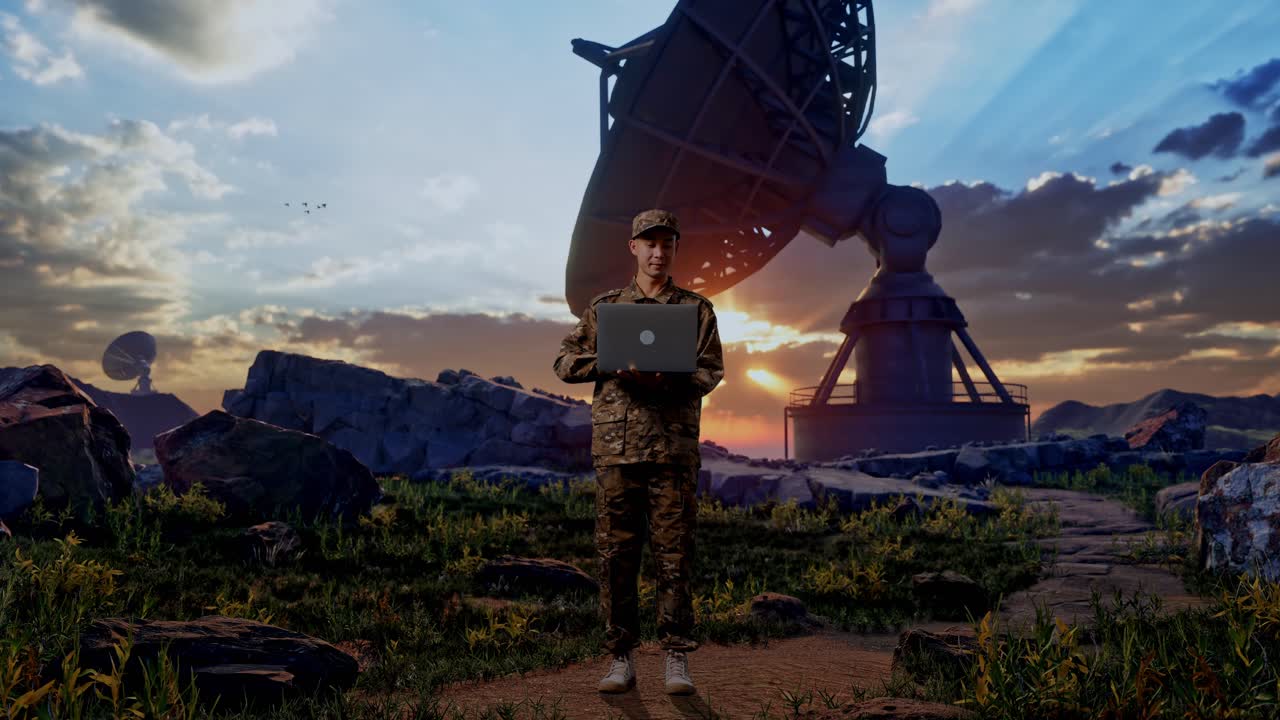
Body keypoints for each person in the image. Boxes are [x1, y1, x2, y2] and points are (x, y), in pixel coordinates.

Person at [553, 208, 724, 695]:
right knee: (616, 556)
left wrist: (669, 377)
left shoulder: (696, 309)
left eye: (666, 243)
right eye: (649, 243)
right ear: (633, 247)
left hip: (672, 451)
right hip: (617, 452)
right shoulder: (605, 309)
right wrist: (610, 363)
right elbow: (563, 362)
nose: (657, 252)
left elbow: (711, 370)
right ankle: (620, 657)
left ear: (675, 249)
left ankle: (676, 657)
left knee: (675, 555)